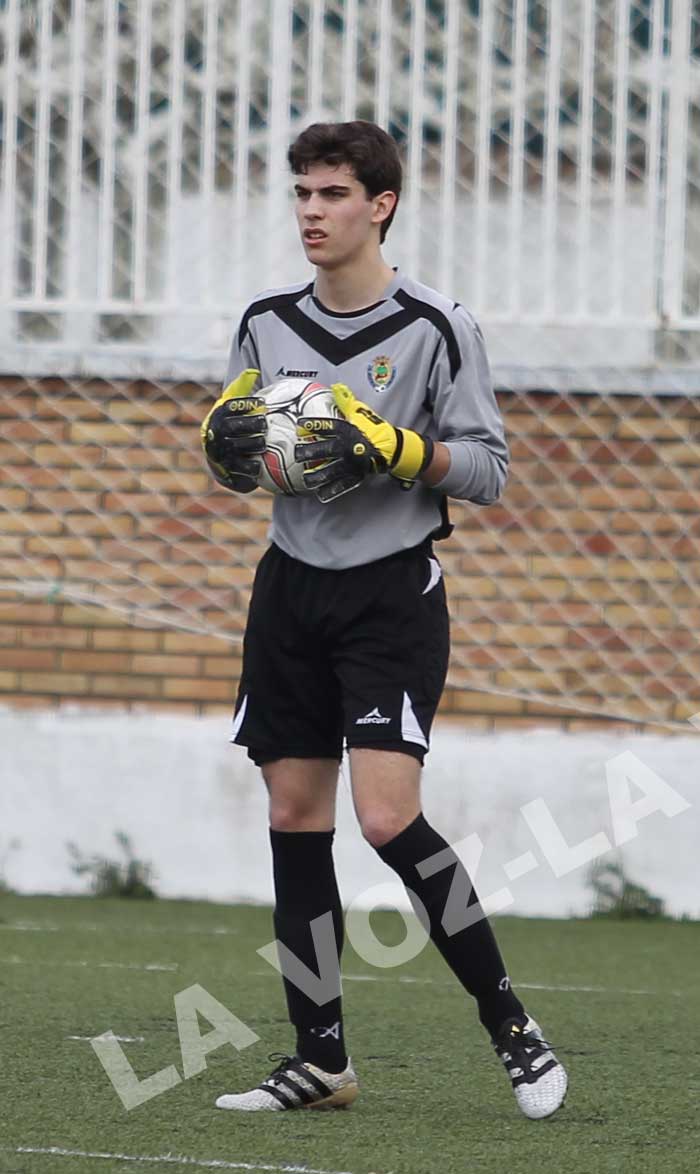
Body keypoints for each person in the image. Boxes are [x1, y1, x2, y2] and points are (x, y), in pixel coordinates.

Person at [201, 120, 567, 1119]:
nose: (311, 212)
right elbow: (245, 448)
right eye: (301, 193)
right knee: (293, 816)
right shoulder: (265, 321)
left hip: (389, 594)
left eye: (331, 194)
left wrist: (394, 446)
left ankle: (514, 1030)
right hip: (289, 589)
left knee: (386, 818)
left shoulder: (437, 326)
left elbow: (487, 469)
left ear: (381, 205)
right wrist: (231, 452)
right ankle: (320, 1061)